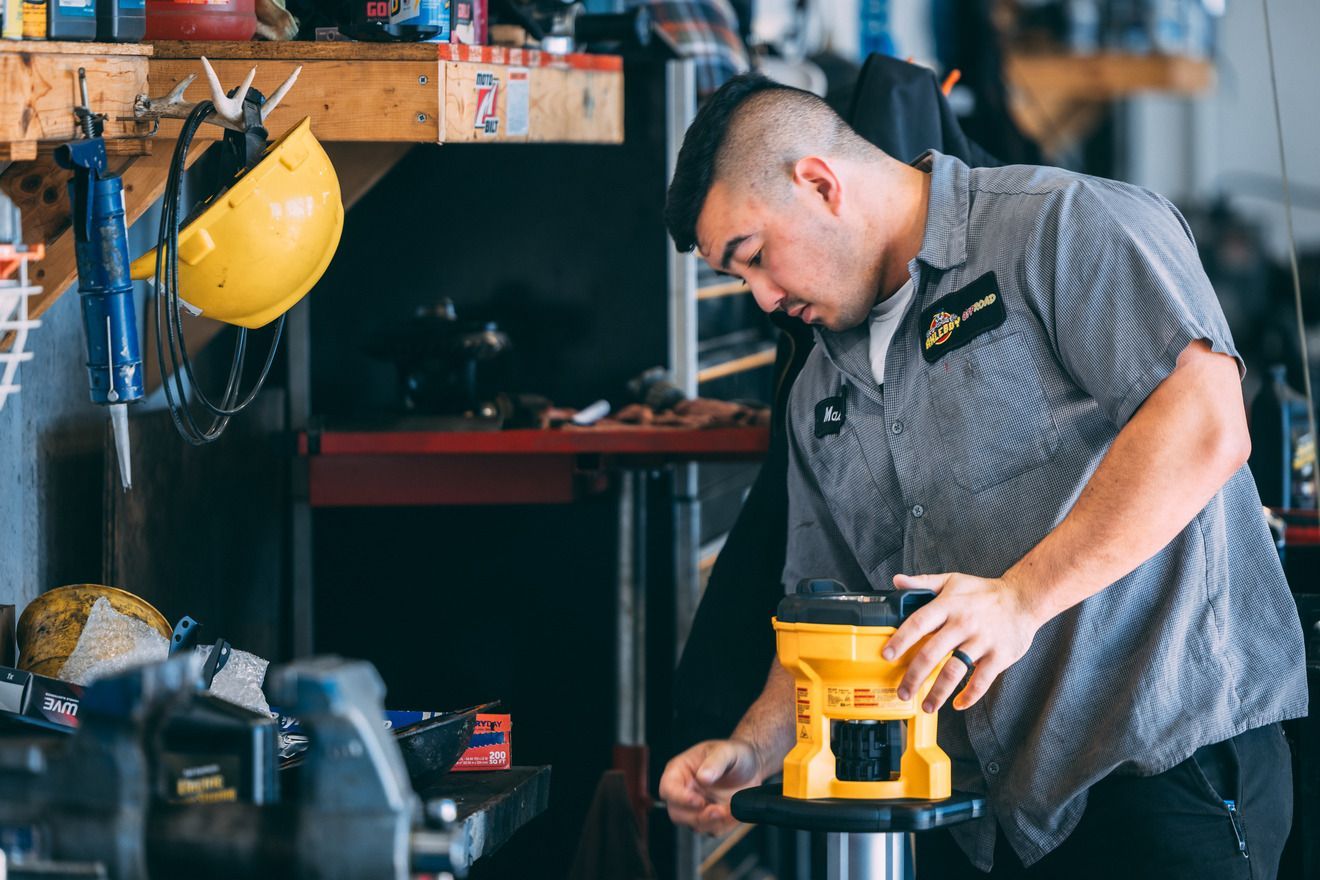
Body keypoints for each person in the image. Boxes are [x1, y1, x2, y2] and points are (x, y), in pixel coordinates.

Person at [657, 73, 1309, 878]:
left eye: (753, 257)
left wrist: (1020, 598)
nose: (761, 296)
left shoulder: (1062, 227)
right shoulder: (820, 390)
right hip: (984, 826)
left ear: (819, 184)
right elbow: (822, 625)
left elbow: (1208, 423)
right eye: (736, 278)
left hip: (1165, 782)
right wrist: (751, 750)